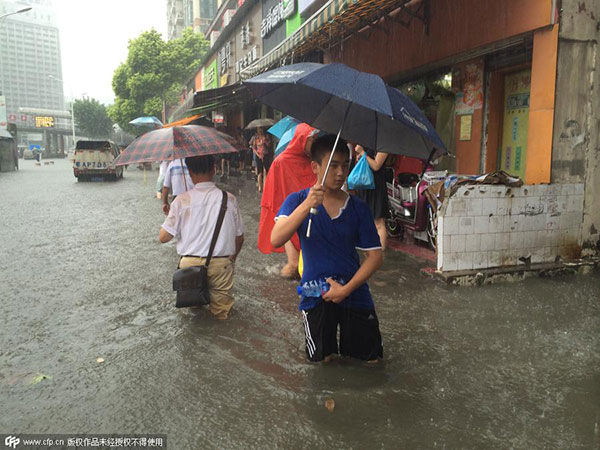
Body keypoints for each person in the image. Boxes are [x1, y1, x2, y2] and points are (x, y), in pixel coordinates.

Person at [271, 134, 384, 362]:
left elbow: (375, 257)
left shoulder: (358, 208)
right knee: (322, 363)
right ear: (315, 167)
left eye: (345, 165)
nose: (341, 172)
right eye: (333, 165)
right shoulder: (297, 200)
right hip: (315, 295)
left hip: (354, 293)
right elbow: (276, 238)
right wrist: (307, 205)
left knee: (369, 362)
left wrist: (346, 289)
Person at [159, 155, 245, 320]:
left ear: (189, 171)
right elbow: (239, 237)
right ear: (214, 169)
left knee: (194, 316)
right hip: (221, 264)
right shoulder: (229, 199)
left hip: (189, 266)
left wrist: (170, 216)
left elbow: (163, 237)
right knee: (223, 316)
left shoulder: (180, 201)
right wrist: (232, 260)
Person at [258, 123, 319, 279]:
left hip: (312, 217)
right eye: (311, 140)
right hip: (289, 218)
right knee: (293, 267)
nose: (315, 143)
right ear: (301, 139)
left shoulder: (315, 162)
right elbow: (273, 193)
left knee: (311, 265)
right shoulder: (281, 162)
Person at [352, 144, 390, 250]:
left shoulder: (384, 146)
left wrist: (362, 153)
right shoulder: (366, 142)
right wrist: (359, 156)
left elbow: (376, 165)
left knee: (378, 221)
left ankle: (381, 252)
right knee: (364, 219)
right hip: (364, 185)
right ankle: (368, 249)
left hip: (376, 186)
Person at [249, 127, 272, 194]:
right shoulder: (256, 138)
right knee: (259, 172)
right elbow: (254, 148)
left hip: (265, 155)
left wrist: (265, 142)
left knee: (265, 171)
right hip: (258, 156)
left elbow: (269, 145)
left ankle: (265, 186)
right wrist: (258, 155)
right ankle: (260, 186)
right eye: (259, 129)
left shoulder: (266, 136)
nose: (260, 130)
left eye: (261, 129)